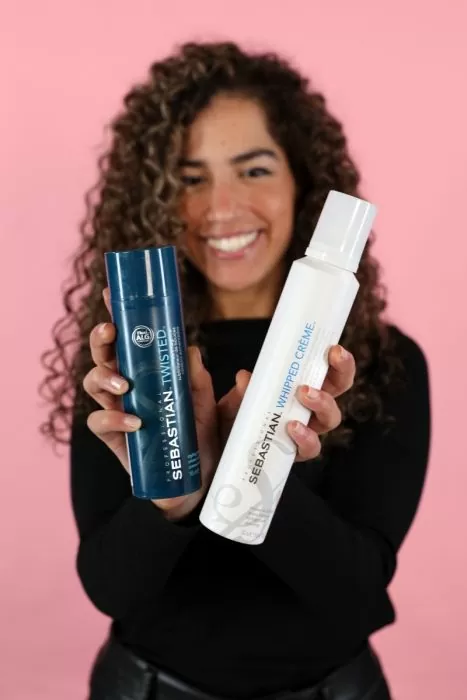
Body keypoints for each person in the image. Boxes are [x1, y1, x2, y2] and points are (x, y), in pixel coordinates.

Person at [40, 41, 431, 700]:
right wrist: (175, 492)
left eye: (253, 170)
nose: (221, 207)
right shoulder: (134, 357)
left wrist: (256, 463)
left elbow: (357, 591)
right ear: (157, 195)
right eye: (190, 177)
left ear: (304, 180)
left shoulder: (382, 363)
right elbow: (111, 589)